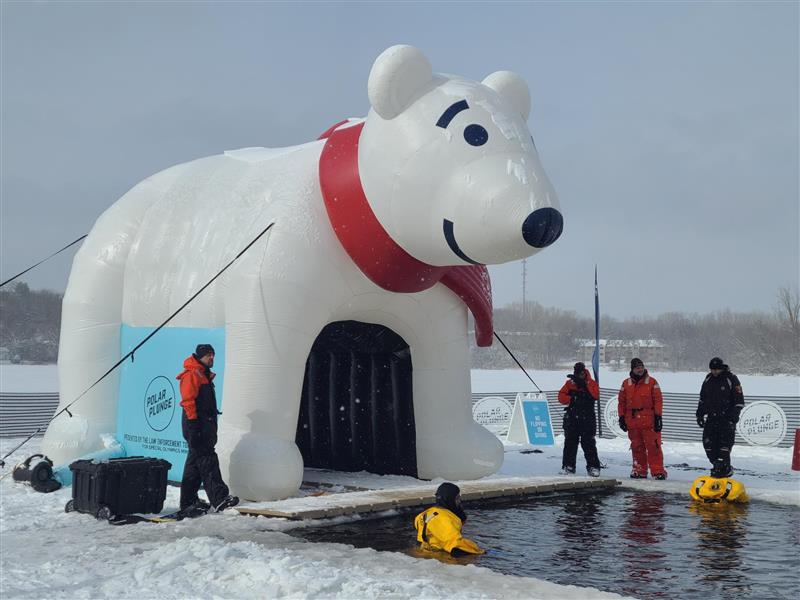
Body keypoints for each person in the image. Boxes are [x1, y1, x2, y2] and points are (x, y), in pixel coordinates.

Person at [177, 344, 239, 515]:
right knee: (207, 459)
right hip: (197, 424)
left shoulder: (203, 374)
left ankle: (188, 501)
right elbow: (188, 401)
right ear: (199, 357)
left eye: (213, 355)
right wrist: (193, 426)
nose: (211, 358)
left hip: (204, 423)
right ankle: (219, 499)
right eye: (208, 356)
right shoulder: (193, 374)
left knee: (195, 463)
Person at [617, 358, 667, 480]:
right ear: (632, 369)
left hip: (649, 419)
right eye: (637, 367)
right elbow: (621, 402)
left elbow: (658, 400)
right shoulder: (626, 383)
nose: (640, 369)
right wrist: (621, 417)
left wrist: (658, 417)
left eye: (641, 367)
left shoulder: (652, 382)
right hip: (632, 420)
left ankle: (658, 471)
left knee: (653, 446)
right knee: (637, 446)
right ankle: (639, 470)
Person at [696, 357, 744, 478]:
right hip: (712, 418)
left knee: (724, 446)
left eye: (717, 370)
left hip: (726, 419)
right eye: (713, 370)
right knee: (708, 444)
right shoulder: (708, 379)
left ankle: (725, 468)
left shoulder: (731, 378)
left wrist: (734, 415)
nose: (715, 372)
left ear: (722, 368)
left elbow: (739, 400)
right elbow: (703, 398)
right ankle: (716, 465)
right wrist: (700, 414)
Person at [414, 482, 484, 556]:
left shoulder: (424, 514)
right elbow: (456, 545)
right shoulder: (445, 519)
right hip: (440, 556)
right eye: (457, 498)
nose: (459, 501)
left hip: (424, 551)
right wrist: (479, 550)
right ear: (449, 499)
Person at [557, 362, 601, 477]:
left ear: (584, 372)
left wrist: (584, 386)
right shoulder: (569, 383)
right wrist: (572, 399)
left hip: (587, 417)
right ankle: (568, 466)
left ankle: (593, 467)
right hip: (572, 417)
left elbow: (595, 395)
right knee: (570, 442)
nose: (579, 375)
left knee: (588, 443)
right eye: (577, 373)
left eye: (581, 373)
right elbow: (560, 397)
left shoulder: (592, 383)